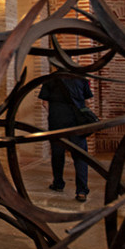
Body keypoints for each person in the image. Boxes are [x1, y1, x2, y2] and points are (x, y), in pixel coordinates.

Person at [39, 73, 94, 202]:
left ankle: (58, 184)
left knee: (57, 155)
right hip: (77, 124)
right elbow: (88, 101)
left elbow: (44, 102)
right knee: (80, 156)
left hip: (57, 122)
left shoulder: (50, 79)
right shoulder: (81, 78)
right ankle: (81, 191)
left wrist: (54, 114)